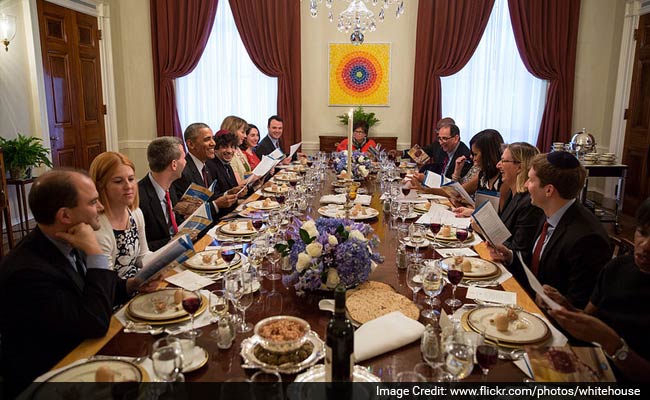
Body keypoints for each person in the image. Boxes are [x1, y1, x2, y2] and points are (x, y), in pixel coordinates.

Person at [0, 169, 118, 395]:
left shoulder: (68, 237)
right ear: (65, 216)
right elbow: (94, 323)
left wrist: (134, 283)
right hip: (51, 379)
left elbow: (91, 291)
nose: (101, 207)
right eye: (93, 202)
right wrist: (96, 253)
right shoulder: (27, 273)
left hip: (81, 356)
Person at [542, 197, 650, 382]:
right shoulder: (618, 267)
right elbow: (588, 318)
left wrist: (614, 344)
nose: (645, 246)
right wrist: (566, 307)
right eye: (642, 232)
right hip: (591, 367)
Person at [489, 152, 611, 309]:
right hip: (531, 299)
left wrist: (557, 303)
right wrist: (510, 255)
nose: (525, 185)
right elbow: (537, 263)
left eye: (531, 180)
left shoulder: (587, 239)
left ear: (549, 190)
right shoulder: (550, 211)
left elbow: (579, 306)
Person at [90, 152, 151, 284]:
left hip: (137, 283)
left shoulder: (135, 213)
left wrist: (166, 261)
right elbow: (107, 282)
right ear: (101, 185)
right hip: (117, 293)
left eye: (131, 179)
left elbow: (142, 256)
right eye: (118, 181)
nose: (128, 186)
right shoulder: (97, 226)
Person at [171, 122, 238, 218]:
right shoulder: (183, 171)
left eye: (213, 139)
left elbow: (208, 198)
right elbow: (185, 212)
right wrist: (216, 205)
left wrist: (228, 193)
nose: (213, 143)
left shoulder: (205, 166)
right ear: (191, 144)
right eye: (207, 139)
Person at [138, 137, 186, 251]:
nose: (185, 162)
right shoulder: (139, 198)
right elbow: (140, 249)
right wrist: (172, 240)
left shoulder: (170, 186)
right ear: (174, 164)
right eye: (184, 158)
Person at [208, 132, 252, 215]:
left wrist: (239, 192)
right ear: (216, 149)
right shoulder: (211, 166)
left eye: (232, 147)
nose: (229, 151)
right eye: (224, 147)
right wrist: (231, 193)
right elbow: (214, 197)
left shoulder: (227, 164)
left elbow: (233, 189)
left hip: (233, 211)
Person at [220, 115, 251, 183]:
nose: (245, 136)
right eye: (242, 132)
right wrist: (256, 177)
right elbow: (237, 184)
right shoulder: (228, 154)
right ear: (233, 131)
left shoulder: (238, 149)